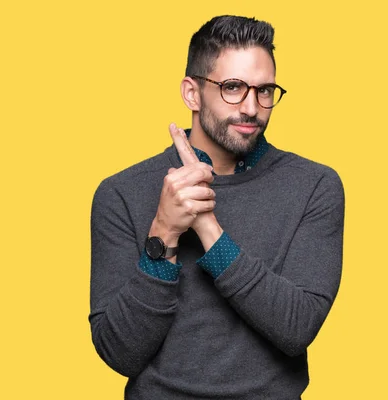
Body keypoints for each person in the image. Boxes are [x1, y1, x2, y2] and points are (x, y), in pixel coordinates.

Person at [89, 15, 344, 399]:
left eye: (264, 91)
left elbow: (296, 329)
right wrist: (164, 232)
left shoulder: (314, 186)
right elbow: (120, 353)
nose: (252, 107)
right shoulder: (121, 193)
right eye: (232, 87)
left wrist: (207, 226)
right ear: (192, 93)